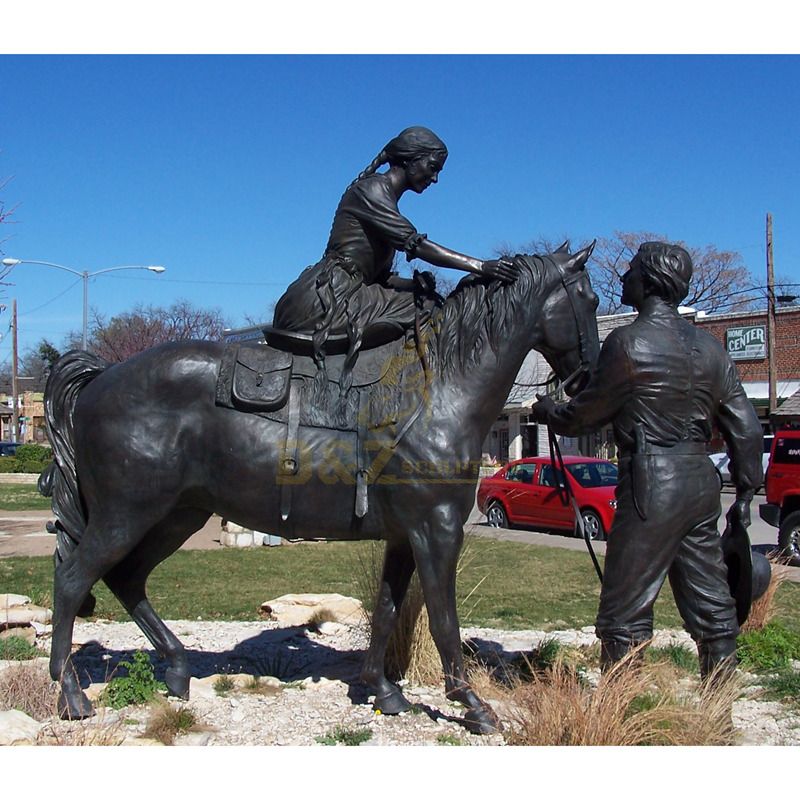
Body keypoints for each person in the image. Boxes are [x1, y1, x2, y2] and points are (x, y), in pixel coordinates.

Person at [531, 241, 763, 681]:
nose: (623, 277)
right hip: (701, 485)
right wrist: (745, 496)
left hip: (651, 482)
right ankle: (720, 707)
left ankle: (621, 713)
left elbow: (584, 416)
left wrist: (548, 413)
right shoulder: (711, 350)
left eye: (631, 269)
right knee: (713, 604)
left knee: (625, 607)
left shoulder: (628, 343)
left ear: (650, 280)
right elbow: (748, 430)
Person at [272, 126, 516, 370]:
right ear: (411, 159)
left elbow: (379, 278)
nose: (435, 179)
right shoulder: (373, 190)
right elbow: (418, 246)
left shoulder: (384, 197)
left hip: (343, 291)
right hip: (326, 299)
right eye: (432, 168)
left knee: (425, 299)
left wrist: (412, 285)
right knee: (429, 308)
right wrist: (481, 266)